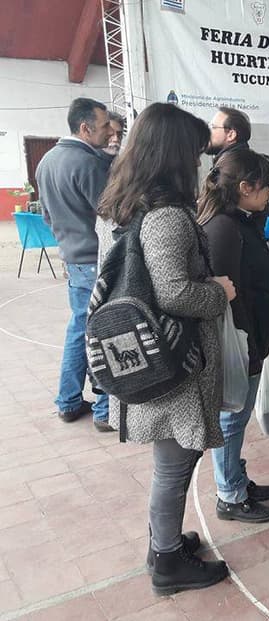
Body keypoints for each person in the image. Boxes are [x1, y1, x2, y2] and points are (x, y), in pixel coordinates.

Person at [97, 102, 235, 595]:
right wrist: (220, 291)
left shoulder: (124, 206)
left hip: (145, 355)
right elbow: (175, 292)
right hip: (173, 365)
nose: (201, 163)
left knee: (171, 464)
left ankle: (166, 541)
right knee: (173, 467)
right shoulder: (167, 217)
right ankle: (168, 561)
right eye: (196, 153)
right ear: (175, 155)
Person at [197, 149, 269, 524]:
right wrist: (251, 342)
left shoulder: (241, 221)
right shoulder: (225, 228)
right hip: (239, 341)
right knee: (231, 421)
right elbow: (230, 296)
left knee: (238, 418)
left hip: (253, 334)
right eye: (267, 187)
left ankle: (237, 479)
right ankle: (229, 494)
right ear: (245, 187)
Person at [36, 97, 113, 430]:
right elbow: (111, 216)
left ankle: (68, 401)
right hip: (96, 260)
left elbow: (47, 216)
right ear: (85, 128)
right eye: (105, 124)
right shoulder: (88, 164)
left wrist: (68, 246)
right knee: (105, 332)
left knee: (79, 330)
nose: (110, 131)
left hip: (75, 259)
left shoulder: (47, 161)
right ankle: (105, 410)